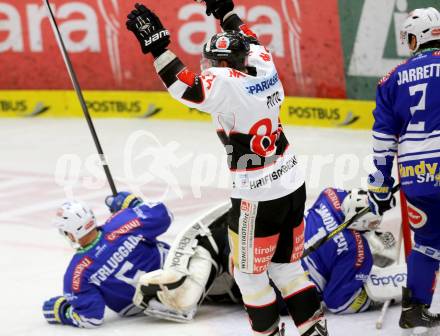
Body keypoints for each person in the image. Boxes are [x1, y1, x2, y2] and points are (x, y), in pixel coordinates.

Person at [125, 1, 327, 335]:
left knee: (247, 275)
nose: (210, 67)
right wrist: (224, 11)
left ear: (224, 65)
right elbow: (243, 35)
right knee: (287, 270)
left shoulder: (225, 86)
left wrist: (158, 46)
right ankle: (314, 331)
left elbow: (183, 85)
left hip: (257, 197)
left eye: (214, 63)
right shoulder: (262, 61)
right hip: (291, 181)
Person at [42, 192, 237, 328]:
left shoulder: (77, 272)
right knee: (219, 240)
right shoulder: (120, 223)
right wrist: (134, 205)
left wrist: (64, 311)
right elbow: (164, 216)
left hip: (153, 308)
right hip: (180, 273)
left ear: (71, 233)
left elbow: (91, 318)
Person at [366, 7, 440, 333]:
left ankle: (414, 311)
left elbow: (383, 140)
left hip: (416, 177)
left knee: (426, 242)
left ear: (416, 38)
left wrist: (381, 187)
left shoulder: (391, 79)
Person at [302, 188, 405, 315]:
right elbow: (337, 303)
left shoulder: (330, 194)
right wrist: (372, 299)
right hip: (289, 294)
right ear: (359, 223)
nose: (375, 226)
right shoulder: (358, 253)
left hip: (275, 258)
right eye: (373, 224)